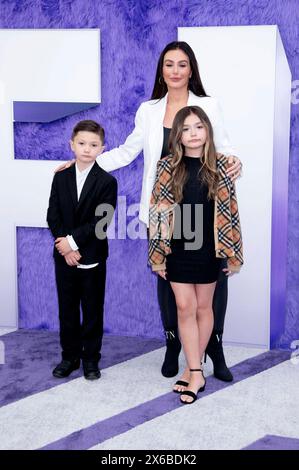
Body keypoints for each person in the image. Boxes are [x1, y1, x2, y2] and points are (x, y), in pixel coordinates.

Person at [56, 41, 242, 381]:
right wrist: (86, 159)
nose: (175, 70)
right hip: (161, 210)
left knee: (213, 287)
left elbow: (224, 148)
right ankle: (174, 345)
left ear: (191, 70)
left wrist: (234, 160)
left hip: (203, 208)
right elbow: (128, 151)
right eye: (168, 64)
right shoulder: (149, 109)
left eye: (182, 64)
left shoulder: (208, 105)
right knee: (168, 281)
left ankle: (213, 347)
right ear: (161, 70)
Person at [148, 105, 243, 404]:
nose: (193, 133)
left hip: (209, 250)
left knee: (204, 309)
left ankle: (195, 370)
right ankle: (194, 368)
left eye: (199, 127)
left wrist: (233, 253)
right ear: (177, 135)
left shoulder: (221, 166)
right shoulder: (166, 166)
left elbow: (231, 212)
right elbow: (159, 212)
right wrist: (158, 255)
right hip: (177, 249)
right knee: (184, 308)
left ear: (208, 131)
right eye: (186, 128)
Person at [47, 120, 117, 380]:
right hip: (64, 257)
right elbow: (53, 215)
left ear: (102, 148)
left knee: (91, 310)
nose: (87, 149)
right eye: (82, 143)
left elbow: (102, 221)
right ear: (72, 145)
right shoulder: (61, 176)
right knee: (66, 309)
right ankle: (69, 357)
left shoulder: (107, 182)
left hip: (92, 256)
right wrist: (64, 248)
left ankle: (90, 359)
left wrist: (73, 243)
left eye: (94, 145)